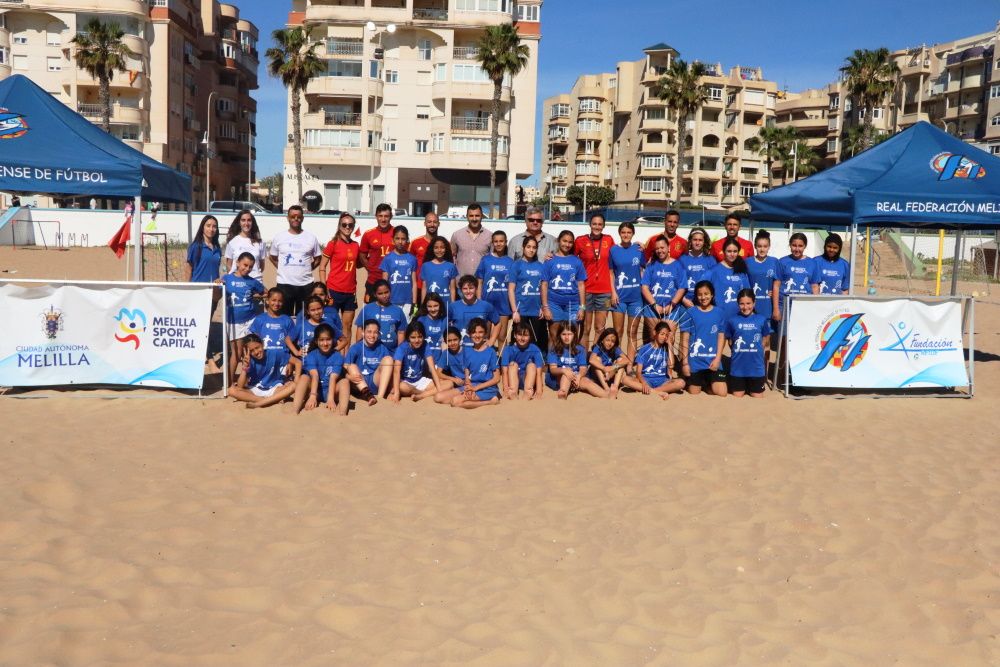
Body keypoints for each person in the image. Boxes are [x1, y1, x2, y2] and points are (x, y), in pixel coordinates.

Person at [220, 252, 265, 384]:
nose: (247, 268)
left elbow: (265, 292)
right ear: (237, 262)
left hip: (251, 320)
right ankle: (228, 382)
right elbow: (218, 290)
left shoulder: (252, 281)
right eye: (245, 265)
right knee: (237, 352)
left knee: (254, 349)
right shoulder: (227, 278)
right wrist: (218, 283)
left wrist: (256, 296)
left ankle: (257, 377)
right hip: (234, 322)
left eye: (250, 267)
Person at [268, 205, 321, 316]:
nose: (295, 219)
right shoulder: (279, 237)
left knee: (303, 319)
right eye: (292, 216)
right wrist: (282, 267)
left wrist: (307, 268)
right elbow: (272, 257)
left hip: (305, 286)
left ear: (303, 218)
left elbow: (317, 258)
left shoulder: (311, 237)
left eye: (298, 216)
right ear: (288, 218)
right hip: (284, 285)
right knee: (283, 318)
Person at [187, 214, 223, 371]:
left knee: (206, 324)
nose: (211, 229)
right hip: (197, 292)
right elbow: (189, 268)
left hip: (213, 292)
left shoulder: (217, 248)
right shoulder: (196, 246)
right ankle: (209, 359)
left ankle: (204, 355)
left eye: (214, 226)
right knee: (200, 325)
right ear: (203, 227)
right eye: (208, 225)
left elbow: (217, 270)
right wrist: (187, 289)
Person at [575, 213, 616, 350]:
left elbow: (620, 252)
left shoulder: (609, 240)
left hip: (604, 292)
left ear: (603, 226)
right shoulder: (580, 240)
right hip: (586, 290)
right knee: (585, 328)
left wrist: (638, 245)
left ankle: (595, 356)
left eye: (600, 224)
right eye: (594, 224)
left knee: (600, 328)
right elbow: (569, 256)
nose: (597, 227)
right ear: (590, 224)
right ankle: (583, 358)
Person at [541, 230, 587, 349]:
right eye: (564, 241)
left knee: (571, 335)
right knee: (554, 335)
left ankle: (571, 363)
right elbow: (544, 285)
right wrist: (545, 307)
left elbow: (581, 285)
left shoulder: (577, 261)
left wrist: (582, 307)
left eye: (570, 242)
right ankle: (553, 364)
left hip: (573, 304)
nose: (567, 244)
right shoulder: (550, 260)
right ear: (558, 241)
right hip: (554, 303)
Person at [681, 280, 727, 397]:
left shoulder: (719, 312)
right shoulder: (690, 312)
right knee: (694, 392)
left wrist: (717, 359)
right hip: (695, 362)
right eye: (700, 294)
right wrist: (685, 363)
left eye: (706, 294)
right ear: (696, 296)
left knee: (722, 393)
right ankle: (696, 381)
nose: (703, 297)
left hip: (712, 362)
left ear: (712, 295)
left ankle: (707, 385)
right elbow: (685, 339)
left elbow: (721, 337)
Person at [319, 213, 360, 342]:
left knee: (347, 327)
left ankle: (346, 359)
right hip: (333, 290)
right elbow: (322, 267)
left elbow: (357, 264)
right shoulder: (333, 244)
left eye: (350, 225)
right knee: (330, 325)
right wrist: (324, 289)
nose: (347, 227)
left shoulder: (355, 245)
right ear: (339, 226)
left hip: (350, 291)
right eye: (344, 224)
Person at [609, 221, 647, 359]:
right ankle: (617, 361)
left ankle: (630, 363)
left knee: (632, 332)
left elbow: (644, 269)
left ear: (633, 234)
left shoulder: (638, 249)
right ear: (619, 233)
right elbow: (611, 273)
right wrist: (613, 292)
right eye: (623, 232)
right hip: (619, 297)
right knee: (617, 332)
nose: (626, 235)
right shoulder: (613, 250)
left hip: (636, 298)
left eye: (629, 232)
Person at [229, 333, 296, 409]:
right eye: (252, 351)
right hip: (255, 389)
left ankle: (260, 402)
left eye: (257, 347)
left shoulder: (275, 353)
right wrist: (244, 368)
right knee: (231, 390)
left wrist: (290, 364)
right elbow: (240, 386)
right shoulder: (249, 359)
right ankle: (264, 400)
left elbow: (297, 362)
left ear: (262, 344)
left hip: (274, 388)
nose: (256, 352)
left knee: (293, 386)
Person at [725, 289, 771, 398]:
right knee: (737, 396)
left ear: (754, 303)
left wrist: (757, 349)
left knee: (757, 396)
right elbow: (730, 342)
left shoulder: (761, 319)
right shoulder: (732, 320)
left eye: (748, 303)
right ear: (738, 304)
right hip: (738, 369)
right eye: (742, 304)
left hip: (756, 369)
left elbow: (765, 338)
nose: (745, 307)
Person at [292, 323, 345, 414]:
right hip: (314, 390)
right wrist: (313, 396)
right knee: (304, 377)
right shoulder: (311, 355)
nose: (325, 343)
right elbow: (315, 375)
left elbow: (333, 377)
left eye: (328, 339)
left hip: (331, 391)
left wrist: (331, 399)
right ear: (316, 341)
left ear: (333, 340)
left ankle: (343, 413)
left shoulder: (338, 356)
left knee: (345, 382)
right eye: (321, 340)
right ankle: (294, 411)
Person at [449, 318, 501, 409]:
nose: (477, 335)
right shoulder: (467, 350)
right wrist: (469, 385)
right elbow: (467, 371)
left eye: (480, 332)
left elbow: (496, 379)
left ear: (485, 333)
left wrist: (476, 388)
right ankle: (474, 399)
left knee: (455, 402)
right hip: (472, 386)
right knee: (440, 398)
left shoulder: (491, 352)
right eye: (474, 332)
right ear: (469, 334)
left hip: (487, 388)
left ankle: (489, 401)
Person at [641, 236, 687, 339]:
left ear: (668, 248)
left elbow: (682, 287)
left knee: (669, 339)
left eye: (662, 247)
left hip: (671, 308)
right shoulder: (651, 266)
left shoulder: (678, 265)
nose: (659, 251)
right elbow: (644, 287)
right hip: (652, 308)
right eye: (657, 248)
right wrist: (654, 305)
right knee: (655, 339)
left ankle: (668, 356)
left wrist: (672, 304)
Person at [545, 322, 606, 399]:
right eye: (563, 334)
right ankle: (563, 393)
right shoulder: (554, 350)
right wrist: (564, 370)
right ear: (559, 335)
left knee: (587, 381)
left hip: (576, 376)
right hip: (558, 377)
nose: (567, 337)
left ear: (574, 334)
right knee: (566, 375)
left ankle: (606, 395)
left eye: (569, 334)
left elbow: (583, 368)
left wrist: (579, 376)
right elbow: (553, 369)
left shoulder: (580, 349)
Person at [475, 230, 514, 348]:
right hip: (487, 302)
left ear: (506, 242)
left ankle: (503, 363)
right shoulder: (485, 260)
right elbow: (480, 281)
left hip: (503, 303)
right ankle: (485, 360)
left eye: (501, 241)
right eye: (496, 241)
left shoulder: (510, 261)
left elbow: (512, 284)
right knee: (484, 335)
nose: (498, 244)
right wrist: (479, 300)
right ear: (492, 243)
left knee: (502, 336)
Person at [507, 236, 547, 350]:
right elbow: (511, 289)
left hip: (536, 310)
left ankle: (534, 363)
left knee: (534, 339)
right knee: (519, 338)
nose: (531, 250)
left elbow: (543, 288)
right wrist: (514, 310)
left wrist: (542, 307)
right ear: (523, 247)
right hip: (521, 309)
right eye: (528, 247)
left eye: (534, 247)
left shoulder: (540, 266)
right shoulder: (516, 265)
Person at [249, 287, 297, 378]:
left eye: (280, 301)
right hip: (264, 360)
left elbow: (291, 344)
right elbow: (254, 342)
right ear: (267, 301)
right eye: (273, 300)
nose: (277, 303)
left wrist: (290, 362)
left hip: (282, 360)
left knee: (284, 384)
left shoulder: (287, 320)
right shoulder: (260, 319)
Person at [344, 319, 394, 405]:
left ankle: (380, 398)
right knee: (351, 366)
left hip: (375, 381)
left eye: (375, 332)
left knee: (389, 359)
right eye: (369, 332)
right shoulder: (356, 347)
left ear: (378, 334)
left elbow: (389, 370)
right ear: (363, 332)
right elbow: (344, 367)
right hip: (359, 383)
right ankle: (369, 396)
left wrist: (392, 391)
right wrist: (349, 377)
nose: (372, 335)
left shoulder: (382, 347)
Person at [632, 321, 686, 398]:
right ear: (655, 333)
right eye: (662, 334)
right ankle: (658, 391)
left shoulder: (667, 348)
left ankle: (654, 391)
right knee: (625, 379)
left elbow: (671, 366)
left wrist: (670, 344)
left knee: (681, 383)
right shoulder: (644, 349)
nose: (664, 337)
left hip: (662, 380)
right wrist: (644, 383)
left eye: (666, 335)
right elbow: (638, 372)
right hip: (647, 378)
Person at [390, 320, 438, 403]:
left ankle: (421, 395)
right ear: (408, 337)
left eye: (420, 337)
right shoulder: (401, 348)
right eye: (413, 337)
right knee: (401, 387)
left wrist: (440, 389)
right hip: (405, 381)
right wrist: (397, 394)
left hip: (420, 380)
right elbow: (396, 371)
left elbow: (432, 369)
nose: (417, 340)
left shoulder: (425, 345)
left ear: (423, 336)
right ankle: (422, 393)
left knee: (448, 384)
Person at [353, 279, 406, 353]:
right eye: (380, 293)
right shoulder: (367, 309)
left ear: (390, 291)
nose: (384, 296)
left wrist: (399, 353)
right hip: (370, 353)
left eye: (386, 292)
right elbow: (360, 329)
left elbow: (401, 332)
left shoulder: (398, 310)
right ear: (375, 294)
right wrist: (358, 350)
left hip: (391, 353)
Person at [379, 225, 418, 319]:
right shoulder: (388, 259)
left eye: (403, 239)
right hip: (392, 301)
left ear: (407, 240)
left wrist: (414, 303)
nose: (400, 241)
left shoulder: (412, 259)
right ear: (393, 239)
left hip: (408, 302)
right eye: (397, 238)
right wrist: (384, 301)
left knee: (406, 330)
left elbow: (414, 283)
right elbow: (384, 283)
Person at [707, 237, 752, 319]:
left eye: (735, 251)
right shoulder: (714, 271)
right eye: (729, 251)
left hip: (739, 317)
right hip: (720, 317)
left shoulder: (741, 270)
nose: (732, 254)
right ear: (724, 252)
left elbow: (748, 294)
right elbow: (701, 289)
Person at [775, 232, 814, 326]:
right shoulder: (782, 261)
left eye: (800, 246)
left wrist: (814, 306)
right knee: (784, 337)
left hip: (804, 306)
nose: (797, 249)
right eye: (794, 245)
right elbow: (776, 285)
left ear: (805, 246)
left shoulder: (812, 263)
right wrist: (776, 309)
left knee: (800, 336)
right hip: (784, 306)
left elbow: (815, 286)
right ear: (790, 245)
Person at [745, 230, 781, 328]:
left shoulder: (774, 261)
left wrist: (776, 308)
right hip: (751, 306)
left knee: (766, 339)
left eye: (765, 246)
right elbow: (744, 283)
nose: (762, 249)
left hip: (767, 306)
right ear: (755, 246)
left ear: (769, 247)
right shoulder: (747, 262)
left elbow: (777, 285)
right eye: (759, 246)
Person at [450, 275, 499, 346]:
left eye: (471, 288)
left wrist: (492, 340)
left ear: (476, 288)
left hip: (479, 348)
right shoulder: (453, 306)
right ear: (460, 290)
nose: (468, 291)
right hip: (460, 349)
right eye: (465, 288)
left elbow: (498, 323)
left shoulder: (485, 306)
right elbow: (444, 324)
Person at [359, 203, 395, 298]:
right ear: (376, 216)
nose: (383, 219)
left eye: (386, 216)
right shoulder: (368, 234)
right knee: (371, 311)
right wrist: (371, 269)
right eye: (380, 216)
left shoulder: (397, 234)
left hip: (392, 281)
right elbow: (362, 256)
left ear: (391, 217)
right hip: (373, 280)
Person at [501, 321, 544, 400]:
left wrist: (539, 391)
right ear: (514, 335)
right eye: (519, 335)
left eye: (526, 335)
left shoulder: (535, 349)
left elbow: (539, 372)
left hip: (528, 378)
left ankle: (528, 391)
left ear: (530, 337)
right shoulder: (508, 349)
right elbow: (504, 372)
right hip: (513, 378)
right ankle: (513, 391)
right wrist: (505, 389)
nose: (522, 338)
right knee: (512, 364)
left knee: (532, 365)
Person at [678, 228, 717, 308]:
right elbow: (676, 282)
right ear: (690, 241)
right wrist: (683, 299)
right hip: (686, 301)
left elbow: (715, 282)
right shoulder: (682, 259)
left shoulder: (710, 259)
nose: (697, 242)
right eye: (695, 240)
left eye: (700, 240)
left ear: (704, 242)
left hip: (705, 301)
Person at [450, 203, 492, 277]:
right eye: (471, 216)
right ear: (467, 217)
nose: (474, 219)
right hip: (461, 284)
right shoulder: (457, 235)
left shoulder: (490, 236)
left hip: (481, 284)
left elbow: (493, 260)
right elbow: (451, 257)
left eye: (477, 216)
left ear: (482, 216)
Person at [588, 328, 630, 399]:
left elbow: (626, 360)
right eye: (607, 340)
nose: (610, 343)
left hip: (609, 375)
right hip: (597, 375)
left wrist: (613, 368)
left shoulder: (615, 349)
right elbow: (591, 360)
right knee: (597, 359)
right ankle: (606, 388)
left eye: (613, 341)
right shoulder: (598, 347)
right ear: (602, 340)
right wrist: (604, 368)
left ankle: (615, 387)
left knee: (620, 360)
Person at [308, 282, 349, 354]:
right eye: (315, 295)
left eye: (321, 294)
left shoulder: (332, 311)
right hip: (310, 353)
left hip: (328, 350)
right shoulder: (304, 313)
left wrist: (336, 354)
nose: (318, 297)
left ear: (326, 296)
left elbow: (340, 338)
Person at [224, 210, 265, 279]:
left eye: (249, 220)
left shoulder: (260, 242)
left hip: (255, 281)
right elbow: (229, 265)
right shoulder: (232, 242)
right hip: (237, 283)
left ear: (252, 222)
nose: (246, 223)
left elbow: (261, 266)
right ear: (239, 222)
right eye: (243, 220)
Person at [431, 327, 467, 405]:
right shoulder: (446, 353)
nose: (452, 343)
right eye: (449, 341)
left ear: (460, 339)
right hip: (457, 384)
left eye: (455, 340)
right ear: (445, 341)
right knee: (438, 397)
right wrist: (453, 379)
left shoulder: (467, 352)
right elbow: (438, 373)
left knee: (451, 400)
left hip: (470, 384)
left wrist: (465, 381)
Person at [419, 236, 459, 306]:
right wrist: (423, 305)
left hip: (446, 302)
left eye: (442, 247)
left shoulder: (451, 266)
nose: (439, 250)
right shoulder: (426, 266)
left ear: (446, 249)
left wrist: (452, 305)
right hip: (431, 304)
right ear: (432, 249)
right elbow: (424, 288)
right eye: (436, 248)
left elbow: (452, 289)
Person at [409, 211, 440, 290]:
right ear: (424, 223)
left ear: (439, 224)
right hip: (419, 286)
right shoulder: (415, 243)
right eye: (429, 222)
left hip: (437, 285)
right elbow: (409, 265)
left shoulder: (444, 244)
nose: (432, 225)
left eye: (435, 222)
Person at [416, 293, 448, 358]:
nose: (433, 309)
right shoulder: (421, 320)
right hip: (425, 359)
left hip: (440, 360)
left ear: (440, 305)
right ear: (425, 306)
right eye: (429, 306)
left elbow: (446, 342)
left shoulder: (445, 320)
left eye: (436, 306)